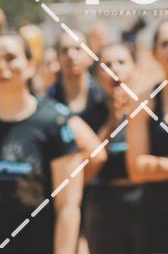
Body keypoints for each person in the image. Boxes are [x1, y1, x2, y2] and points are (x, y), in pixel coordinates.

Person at [0, 31, 83, 254]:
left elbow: (68, 206)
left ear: (30, 65)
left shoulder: (53, 122)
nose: (2, 66)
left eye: (10, 58)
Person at [127, 19, 168, 254]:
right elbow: (137, 169)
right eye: (165, 44)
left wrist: (162, 166)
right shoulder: (145, 102)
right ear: (154, 53)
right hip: (158, 220)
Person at [83, 42, 142, 254]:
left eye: (121, 62)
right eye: (107, 65)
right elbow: (87, 163)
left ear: (135, 67)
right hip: (104, 204)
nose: (115, 69)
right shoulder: (91, 112)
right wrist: (112, 123)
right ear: (97, 75)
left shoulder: (149, 108)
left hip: (144, 201)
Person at [48, 29, 108, 134]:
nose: (71, 55)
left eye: (78, 48)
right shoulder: (48, 102)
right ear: (57, 58)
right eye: (65, 50)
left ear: (90, 56)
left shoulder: (105, 98)